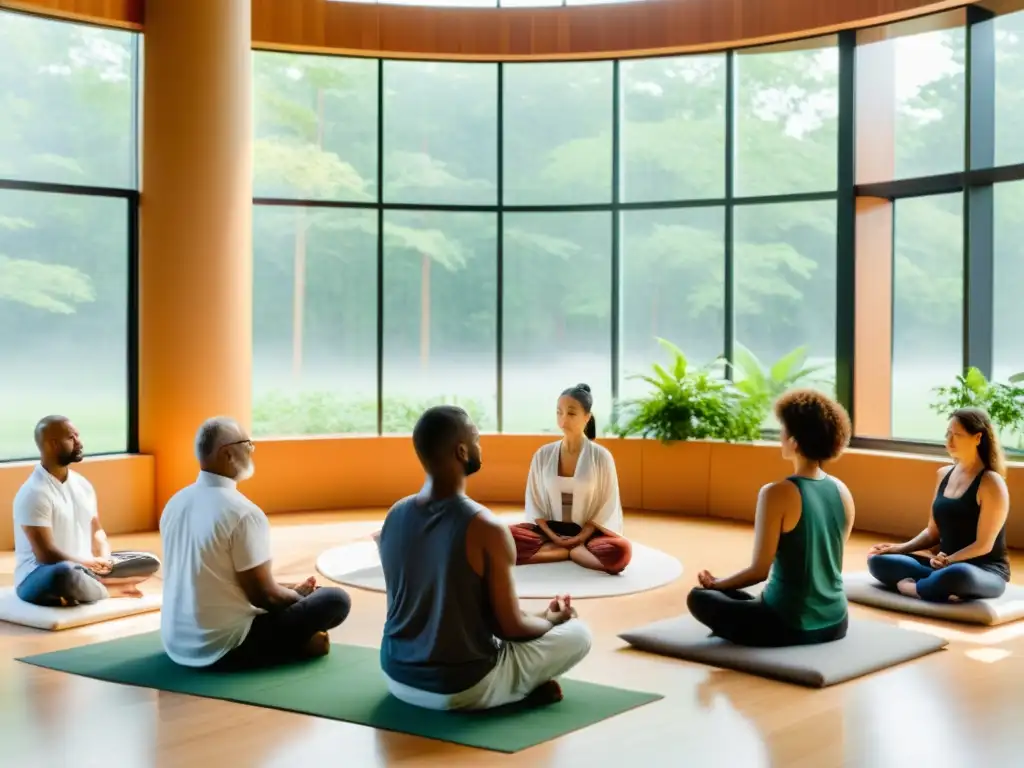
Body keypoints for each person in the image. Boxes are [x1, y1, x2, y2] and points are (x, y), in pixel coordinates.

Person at [377, 405, 592, 711]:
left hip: (396, 677)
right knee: (579, 633)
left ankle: (516, 686)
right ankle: (514, 689)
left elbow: (446, 611)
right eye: (476, 438)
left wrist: (542, 616)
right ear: (462, 451)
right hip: (460, 688)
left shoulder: (395, 515)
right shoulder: (486, 527)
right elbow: (509, 629)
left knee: (526, 628)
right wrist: (554, 621)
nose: (481, 445)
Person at [159, 416, 351, 670]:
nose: (252, 450)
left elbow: (219, 576)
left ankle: (298, 639)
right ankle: (295, 645)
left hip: (177, 642)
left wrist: (293, 591)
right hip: (223, 646)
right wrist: (298, 599)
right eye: (247, 444)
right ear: (227, 454)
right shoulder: (243, 513)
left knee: (297, 596)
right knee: (335, 599)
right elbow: (265, 598)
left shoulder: (175, 502)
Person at [687, 389, 855, 647]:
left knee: (699, 597)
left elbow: (759, 571)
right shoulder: (842, 490)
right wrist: (723, 586)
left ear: (795, 441)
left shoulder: (776, 493)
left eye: (783, 430)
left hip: (790, 624)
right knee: (735, 595)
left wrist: (717, 584)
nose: (780, 436)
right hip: (838, 621)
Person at [13, 415, 161, 607]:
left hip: (85, 566)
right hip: (41, 575)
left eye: (78, 436)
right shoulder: (34, 492)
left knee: (149, 561)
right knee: (64, 575)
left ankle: (89, 585)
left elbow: (97, 530)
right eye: (71, 438)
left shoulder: (83, 485)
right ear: (53, 444)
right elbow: (46, 555)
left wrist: (104, 558)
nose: (79, 442)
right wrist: (88, 563)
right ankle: (108, 591)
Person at [867, 407, 1011, 603]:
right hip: (940, 565)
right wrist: (899, 548)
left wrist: (950, 560)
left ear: (978, 437)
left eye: (957, 435)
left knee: (959, 575)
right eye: (948, 434)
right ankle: (936, 587)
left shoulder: (991, 482)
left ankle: (914, 588)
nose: (949, 441)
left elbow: (984, 545)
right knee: (878, 560)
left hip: (982, 571)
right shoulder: (944, 474)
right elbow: (932, 532)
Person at [509, 384, 632, 575]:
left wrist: (580, 538)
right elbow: (535, 505)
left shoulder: (601, 457)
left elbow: (606, 506)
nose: (563, 419)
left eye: (571, 413)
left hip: (588, 535)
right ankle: (567, 553)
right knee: (502, 538)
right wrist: (554, 537)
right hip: (550, 532)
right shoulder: (543, 454)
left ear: (587, 417)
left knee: (621, 551)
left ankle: (568, 551)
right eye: (559, 412)